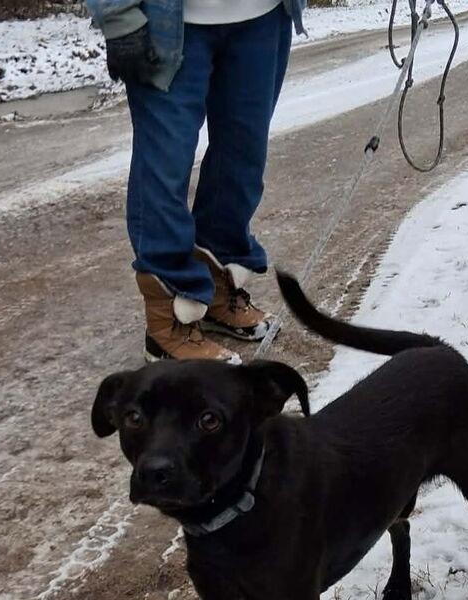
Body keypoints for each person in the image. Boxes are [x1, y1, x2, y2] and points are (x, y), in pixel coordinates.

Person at [85, 0, 306, 362]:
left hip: (263, 19)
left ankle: (219, 288)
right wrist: (119, 17)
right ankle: (169, 320)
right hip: (168, 25)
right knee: (164, 167)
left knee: (242, 160)